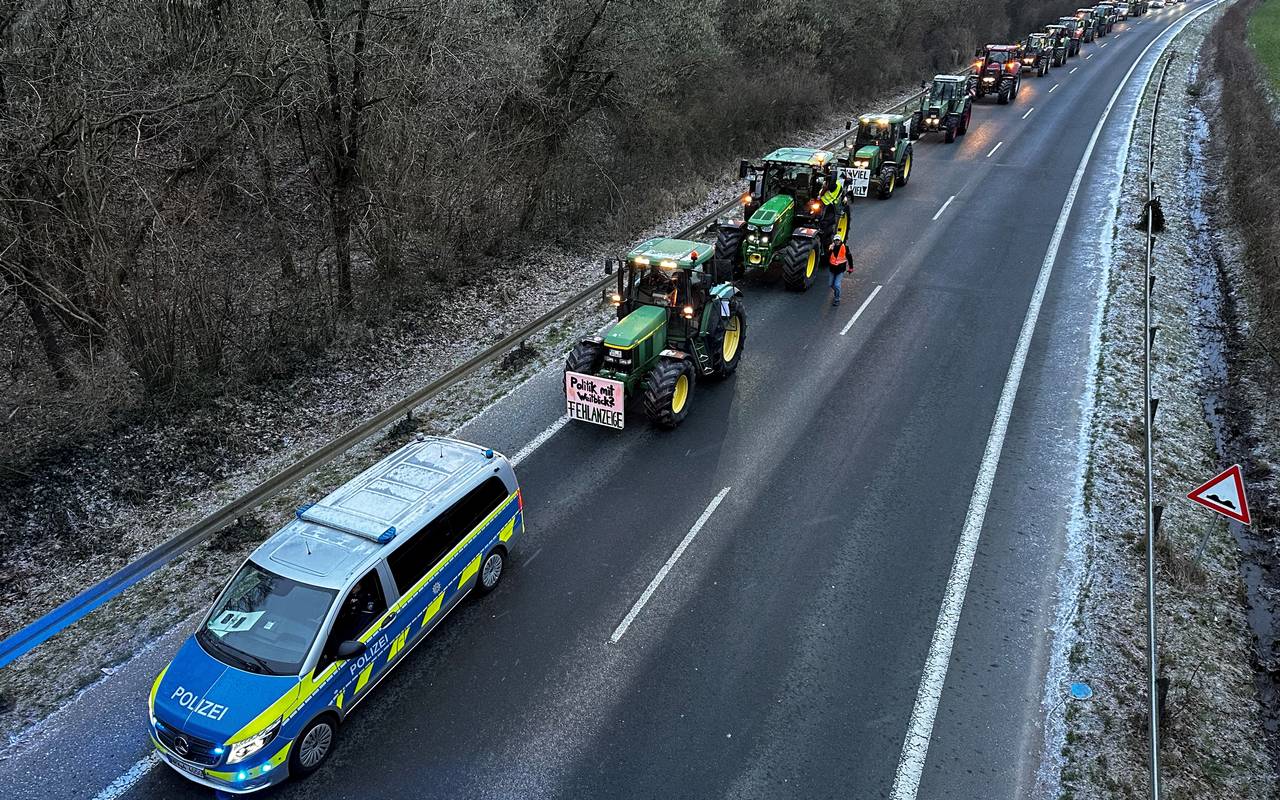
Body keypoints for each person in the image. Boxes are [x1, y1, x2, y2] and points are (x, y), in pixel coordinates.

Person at [827, 236, 850, 306]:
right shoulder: (831, 247)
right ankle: (837, 291)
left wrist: (851, 267)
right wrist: (830, 250)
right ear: (834, 241)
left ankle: (837, 299)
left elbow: (849, 257)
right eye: (836, 240)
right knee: (830, 284)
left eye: (838, 240)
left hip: (840, 270)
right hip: (832, 270)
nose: (837, 241)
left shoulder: (845, 247)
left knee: (837, 285)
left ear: (840, 241)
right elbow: (827, 258)